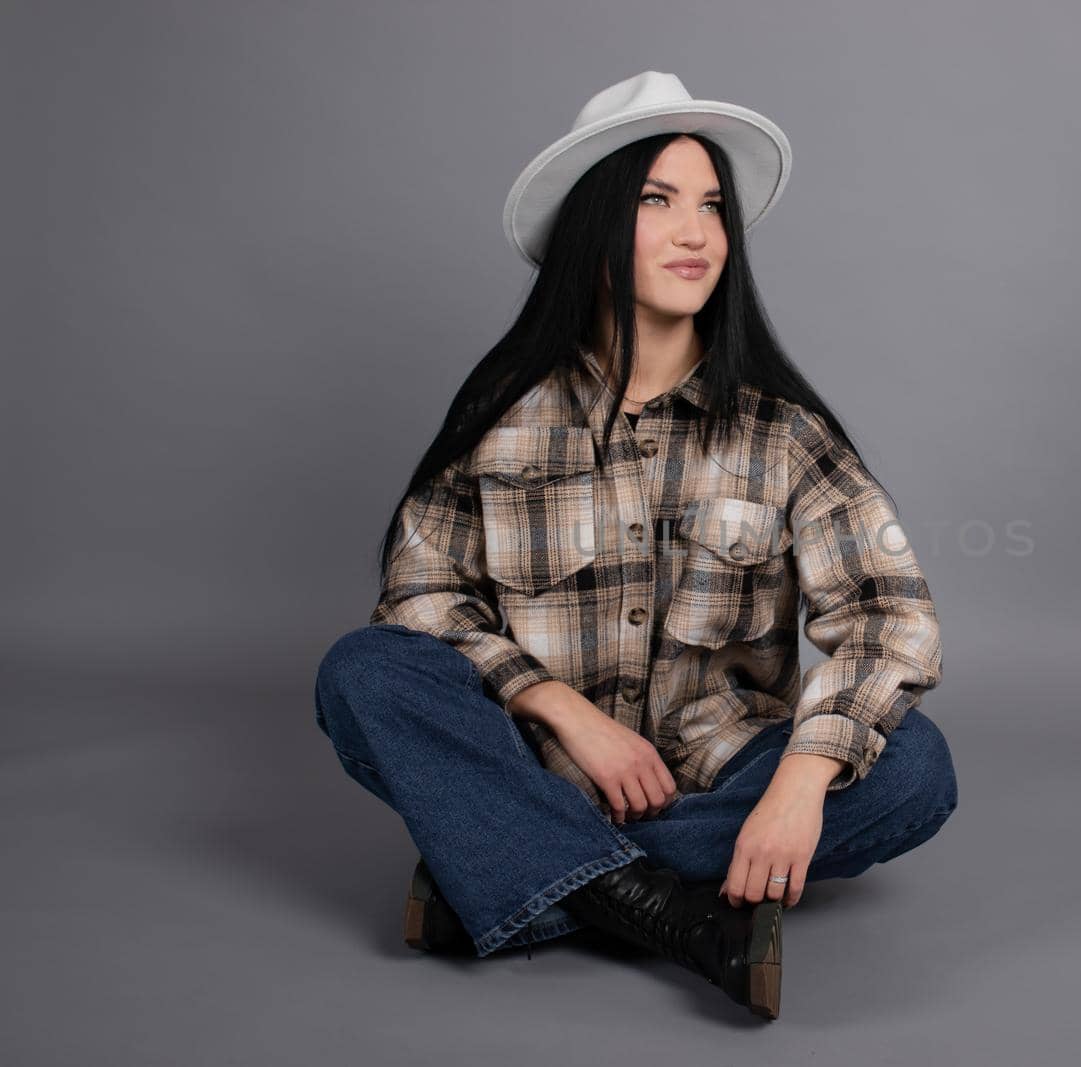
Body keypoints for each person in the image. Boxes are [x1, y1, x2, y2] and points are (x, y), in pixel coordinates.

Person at [312, 71, 957, 1020]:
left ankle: (510, 864)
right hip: (538, 755)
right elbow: (417, 600)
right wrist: (560, 707)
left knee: (917, 770)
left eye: (711, 206)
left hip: (721, 758)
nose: (697, 233)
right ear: (596, 229)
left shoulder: (782, 433)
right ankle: (670, 909)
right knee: (362, 672)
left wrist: (799, 785)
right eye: (659, 201)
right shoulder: (503, 418)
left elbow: (890, 619)